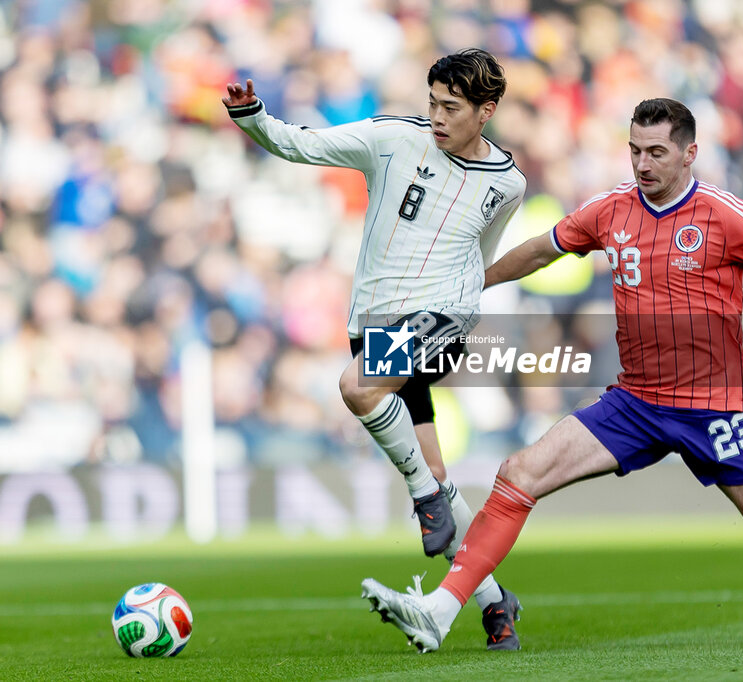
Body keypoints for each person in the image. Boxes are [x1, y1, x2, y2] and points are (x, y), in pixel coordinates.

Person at [360, 97, 743, 652]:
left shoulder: (725, 215)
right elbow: (539, 251)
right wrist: (472, 283)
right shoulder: (610, 209)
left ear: (690, 154)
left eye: (656, 152)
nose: (641, 164)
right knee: (519, 472)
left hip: (715, 411)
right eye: (634, 150)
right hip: (635, 404)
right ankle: (442, 609)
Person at [222, 48, 527, 650]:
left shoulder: (508, 185)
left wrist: (462, 298)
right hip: (376, 322)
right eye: (433, 103)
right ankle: (495, 603)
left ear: (485, 112)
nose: (437, 117)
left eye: (452, 107)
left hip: (444, 317)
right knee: (437, 471)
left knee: (356, 387)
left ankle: (422, 500)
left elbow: (481, 254)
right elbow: (300, 144)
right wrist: (252, 115)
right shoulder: (390, 138)